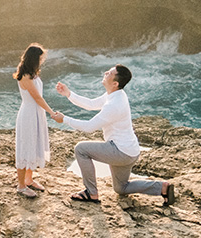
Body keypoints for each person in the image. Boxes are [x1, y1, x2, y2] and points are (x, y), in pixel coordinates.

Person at [52, 65, 175, 205]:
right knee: (121, 188)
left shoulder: (114, 104)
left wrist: (65, 119)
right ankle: (162, 187)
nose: (105, 73)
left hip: (120, 152)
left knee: (81, 149)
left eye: (109, 73)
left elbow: (89, 127)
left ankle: (91, 193)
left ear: (115, 83)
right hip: (130, 151)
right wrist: (69, 94)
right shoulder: (116, 94)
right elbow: (92, 104)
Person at [13, 43, 54, 198]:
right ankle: (21, 185)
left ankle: (29, 179)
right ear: (34, 59)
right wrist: (51, 112)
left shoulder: (32, 73)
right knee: (25, 147)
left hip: (36, 113)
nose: (43, 60)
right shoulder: (25, 76)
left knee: (34, 145)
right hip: (29, 114)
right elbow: (37, 98)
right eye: (41, 58)